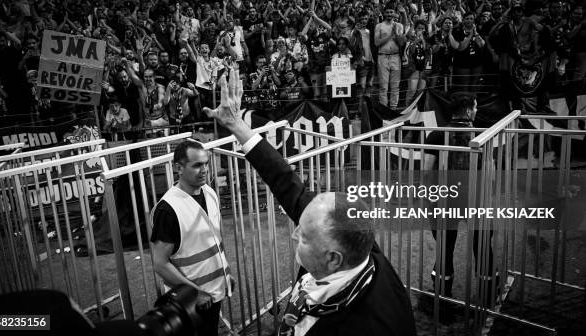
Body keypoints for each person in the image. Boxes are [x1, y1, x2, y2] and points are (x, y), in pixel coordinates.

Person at [203, 69, 417, 336]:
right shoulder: (357, 248)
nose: (294, 234)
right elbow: (286, 182)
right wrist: (236, 124)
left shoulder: (367, 326)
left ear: (332, 259)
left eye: (304, 236)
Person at [422, 93, 498, 318]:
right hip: (475, 197)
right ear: (467, 111)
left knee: (445, 247)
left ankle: (442, 295)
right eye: (474, 108)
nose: (476, 111)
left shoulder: (436, 134)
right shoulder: (483, 135)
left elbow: (426, 172)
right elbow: (491, 173)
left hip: (445, 198)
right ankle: (489, 294)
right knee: (482, 245)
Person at [150, 140, 234, 336]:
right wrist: (195, 292)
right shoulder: (168, 209)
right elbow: (160, 264)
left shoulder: (209, 192)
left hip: (213, 292)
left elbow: (214, 242)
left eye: (205, 163)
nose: (204, 169)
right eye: (197, 165)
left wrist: (226, 272)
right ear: (178, 168)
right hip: (188, 300)